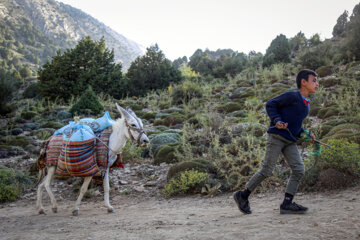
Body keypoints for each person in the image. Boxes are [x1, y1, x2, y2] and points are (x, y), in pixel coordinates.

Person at [233, 69, 319, 214]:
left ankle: (287, 204)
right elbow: (270, 104)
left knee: (299, 169)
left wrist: (305, 134)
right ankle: (243, 195)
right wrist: (277, 120)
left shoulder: (306, 105)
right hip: (277, 137)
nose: (317, 84)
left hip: (289, 141)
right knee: (267, 169)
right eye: (314, 81)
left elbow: (295, 126)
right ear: (303, 82)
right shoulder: (292, 96)